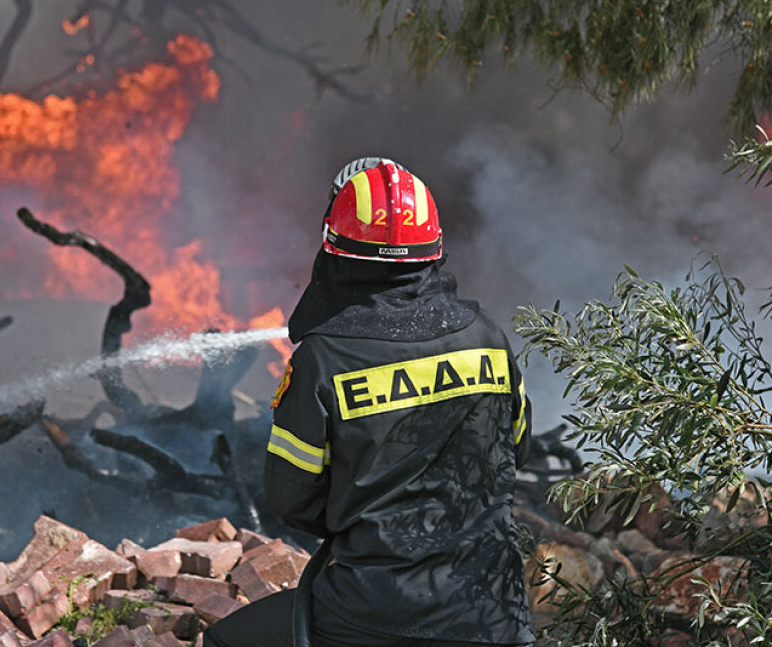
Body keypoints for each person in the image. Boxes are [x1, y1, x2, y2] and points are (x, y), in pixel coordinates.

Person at [204, 157, 536, 647]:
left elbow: (292, 499)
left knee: (226, 642)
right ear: (434, 252)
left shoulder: (323, 359)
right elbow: (517, 448)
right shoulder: (486, 337)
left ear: (336, 255)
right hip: (495, 613)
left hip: (373, 614)